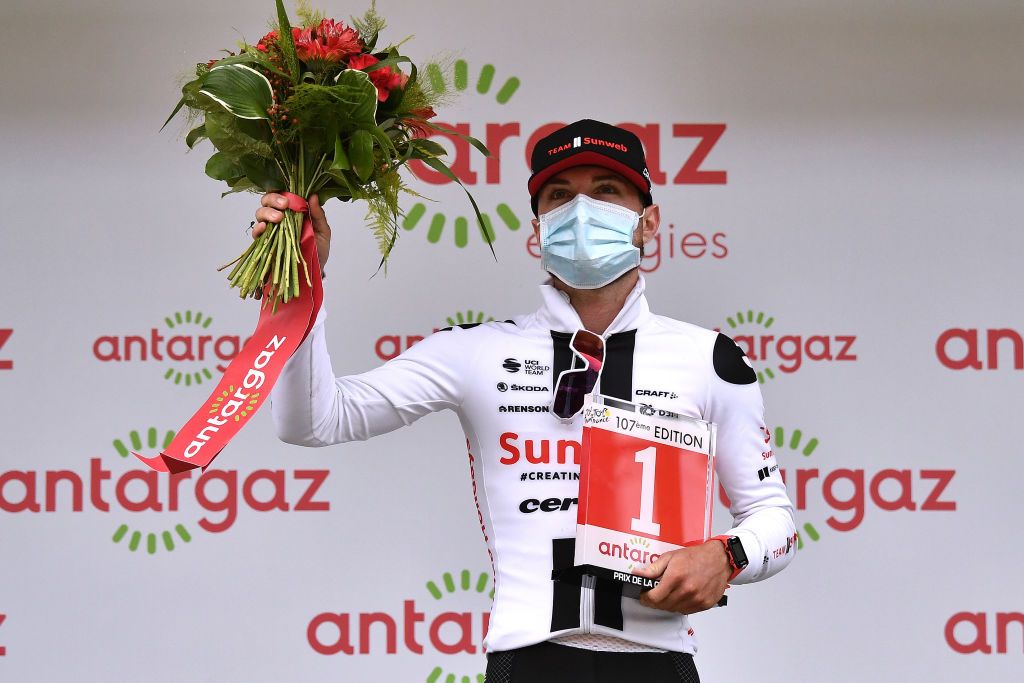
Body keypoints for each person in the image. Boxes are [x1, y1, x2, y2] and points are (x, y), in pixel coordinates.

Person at [253, 120, 796, 682]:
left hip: (660, 664)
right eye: (561, 196)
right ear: (538, 230)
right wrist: (300, 278)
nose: (583, 209)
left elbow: (774, 519)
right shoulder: (475, 351)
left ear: (649, 222)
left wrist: (726, 555)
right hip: (527, 662)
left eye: (607, 190)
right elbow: (312, 421)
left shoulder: (709, 358)